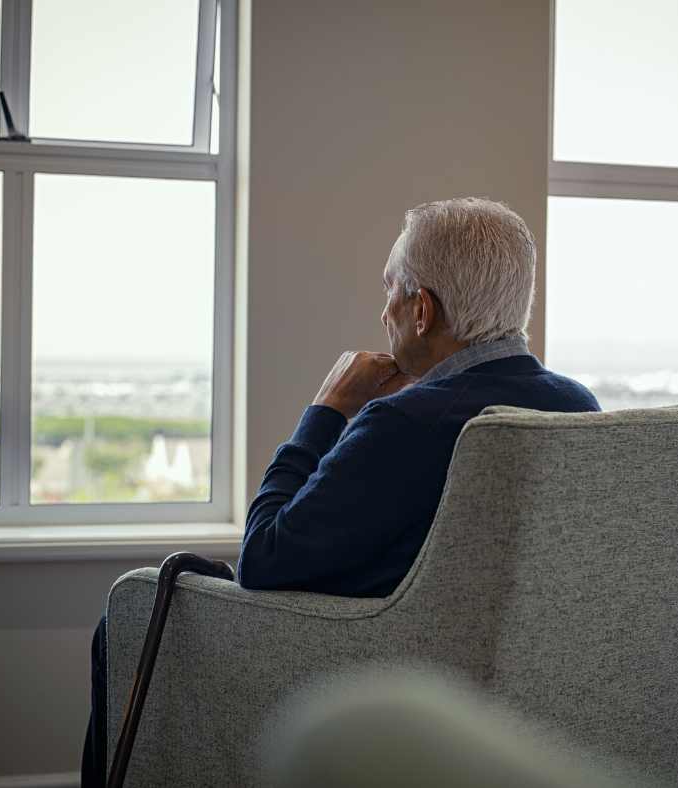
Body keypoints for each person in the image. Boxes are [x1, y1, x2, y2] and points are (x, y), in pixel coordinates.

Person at [81, 197, 599, 785]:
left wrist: (326, 411)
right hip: (506, 685)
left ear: (422, 309)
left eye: (390, 292)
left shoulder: (407, 422)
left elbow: (264, 560)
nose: (385, 313)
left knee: (136, 606)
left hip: (376, 668)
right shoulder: (579, 407)